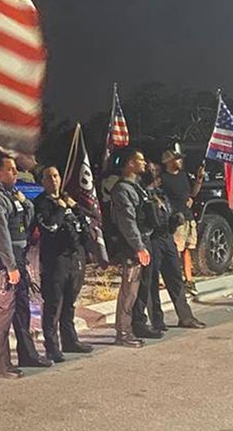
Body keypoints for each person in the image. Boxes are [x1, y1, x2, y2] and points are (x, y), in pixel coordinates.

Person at [0, 156, 51, 378]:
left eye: (15, 169)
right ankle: (1, 365)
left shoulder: (12, 197)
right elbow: (1, 235)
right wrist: (10, 266)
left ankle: (28, 354)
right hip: (4, 262)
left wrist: (26, 202)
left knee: (22, 309)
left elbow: (28, 219)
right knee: (3, 314)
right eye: (10, 170)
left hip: (18, 259)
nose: (15, 173)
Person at [135, 163, 205, 336]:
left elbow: (168, 215)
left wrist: (175, 220)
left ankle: (186, 316)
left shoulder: (161, 194)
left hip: (167, 238)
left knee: (175, 277)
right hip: (153, 240)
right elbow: (144, 220)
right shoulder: (142, 195)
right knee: (151, 282)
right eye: (152, 171)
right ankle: (157, 321)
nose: (156, 174)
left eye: (156, 171)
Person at [33, 166, 94, 363]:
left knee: (69, 302)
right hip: (55, 260)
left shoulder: (68, 200)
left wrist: (74, 208)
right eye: (49, 177)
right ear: (43, 181)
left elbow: (85, 225)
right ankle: (52, 347)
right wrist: (60, 208)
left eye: (56, 176)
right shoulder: (41, 203)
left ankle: (70, 340)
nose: (54, 180)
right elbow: (50, 227)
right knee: (53, 305)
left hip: (74, 257)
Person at [102, 148, 153, 348]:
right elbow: (127, 222)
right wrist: (139, 247)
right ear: (130, 164)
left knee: (138, 289)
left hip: (142, 241)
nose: (144, 163)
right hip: (132, 246)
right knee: (129, 290)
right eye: (140, 160)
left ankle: (131, 327)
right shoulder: (123, 190)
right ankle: (123, 332)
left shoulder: (136, 187)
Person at [159, 149, 204, 295]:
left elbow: (193, 193)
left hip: (188, 218)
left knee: (187, 249)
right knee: (175, 251)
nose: (180, 162)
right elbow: (158, 197)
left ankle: (189, 280)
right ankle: (175, 280)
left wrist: (199, 180)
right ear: (169, 162)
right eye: (177, 159)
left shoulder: (184, 176)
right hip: (175, 220)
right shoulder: (163, 179)